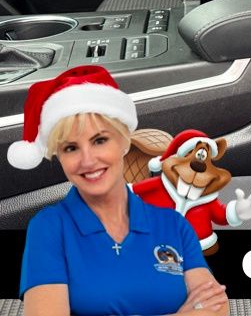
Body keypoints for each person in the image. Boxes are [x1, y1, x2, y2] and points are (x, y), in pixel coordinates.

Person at [8, 66, 230, 316]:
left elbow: (217, 308)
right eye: (71, 148)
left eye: (99, 140)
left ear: (125, 142)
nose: (88, 160)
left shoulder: (173, 224)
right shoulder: (49, 228)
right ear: (59, 156)